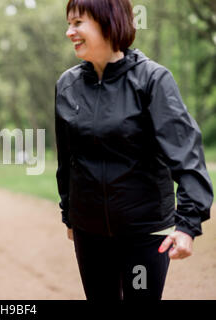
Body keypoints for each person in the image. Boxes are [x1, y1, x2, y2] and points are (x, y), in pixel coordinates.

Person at [55, 0, 213, 300]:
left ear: (108, 22)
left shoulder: (152, 80)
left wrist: (188, 224)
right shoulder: (67, 85)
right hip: (89, 233)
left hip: (144, 232)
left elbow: (186, 154)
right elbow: (67, 159)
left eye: (78, 23)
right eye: (69, 23)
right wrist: (70, 215)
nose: (69, 32)